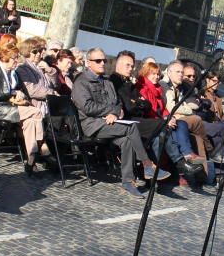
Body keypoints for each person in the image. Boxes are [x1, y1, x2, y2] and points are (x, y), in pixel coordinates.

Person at [71, 47, 159, 199]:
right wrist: (109, 112)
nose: (102, 63)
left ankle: (128, 182)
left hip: (108, 123)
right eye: (97, 61)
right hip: (91, 125)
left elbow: (118, 103)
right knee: (131, 127)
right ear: (88, 63)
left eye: (104, 60)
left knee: (127, 141)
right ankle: (147, 164)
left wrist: (114, 112)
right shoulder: (81, 82)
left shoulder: (106, 82)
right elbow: (87, 107)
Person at [0, 40, 46, 175]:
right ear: (5, 57)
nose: (16, 61)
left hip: (13, 106)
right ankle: (40, 148)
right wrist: (12, 93)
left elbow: (22, 90)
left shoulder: (13, 73)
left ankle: (31, 158)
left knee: (30, 122)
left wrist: (19, 93)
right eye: (14, 58)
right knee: (36, 112)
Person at [131, 61, 204, 180]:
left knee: (181, 124)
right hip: (150, 123)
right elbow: (151, 112)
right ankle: (179, 164)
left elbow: (163, 108)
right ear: (146, 74)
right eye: (152, 74)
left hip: (160, 121)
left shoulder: (157, 89)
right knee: (166, 134)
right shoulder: (144, 89)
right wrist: (165, 119)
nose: (156, 77)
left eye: (157, 74)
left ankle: (187, 157)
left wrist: (170, 117)